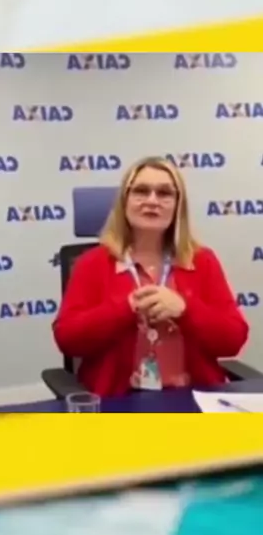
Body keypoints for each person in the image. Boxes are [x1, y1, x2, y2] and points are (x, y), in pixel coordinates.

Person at [52, 156, 249, 397]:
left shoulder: (202, 260)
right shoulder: (92, 263)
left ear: (178, 205)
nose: (152, 201)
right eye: (141, 191)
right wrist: (125, 308)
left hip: (194, 397)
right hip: (119, 401)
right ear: (125, 201)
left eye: (164, 193)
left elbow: (233, 340)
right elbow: (68, 339)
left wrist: (185, 310)